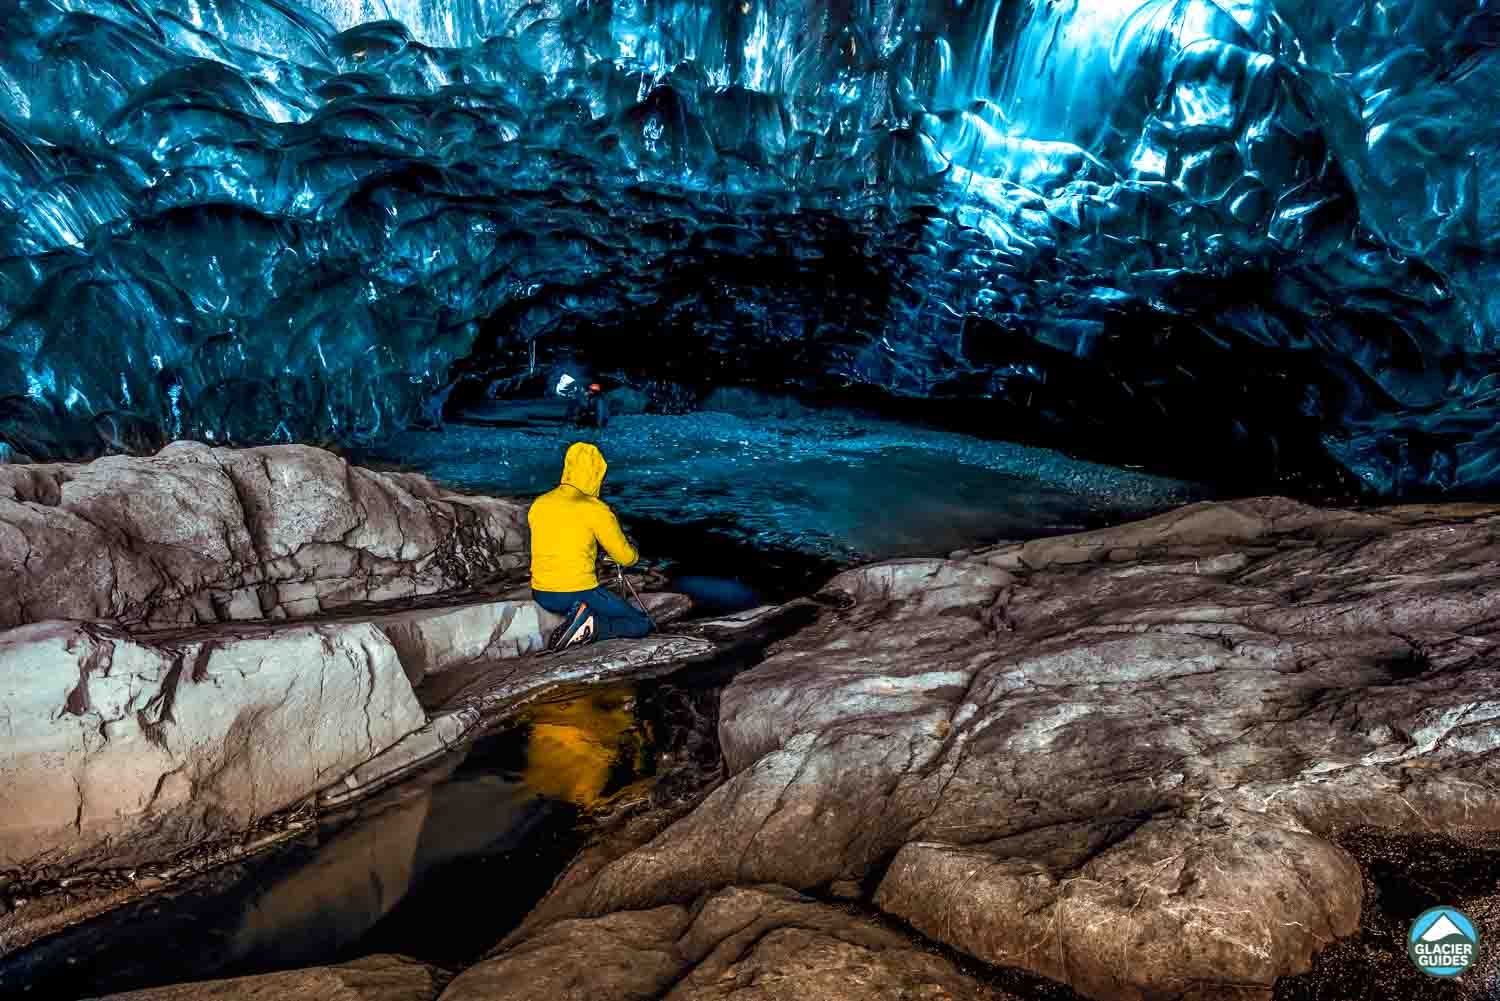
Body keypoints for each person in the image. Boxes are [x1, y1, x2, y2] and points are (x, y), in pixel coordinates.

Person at [528, 441, 652, 650]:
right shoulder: (595, 509)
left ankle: (582, 618)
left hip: (542, 593)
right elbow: (626, 558)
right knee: (639, 624)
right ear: (595, 475)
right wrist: (633, 551)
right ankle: (593, 627)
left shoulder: (540, 503)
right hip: (576, 592)